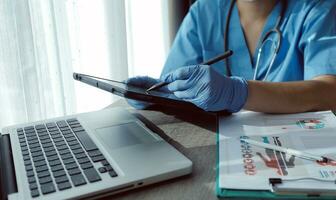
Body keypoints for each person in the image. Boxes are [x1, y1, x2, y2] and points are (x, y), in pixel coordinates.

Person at [126, 0, 336, 114]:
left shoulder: (317, 9)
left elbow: (329, 91)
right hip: (215, 147)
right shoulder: (204, 11)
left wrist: (236, 92)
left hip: (294, 147)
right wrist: (158, 95)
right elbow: (176, 84)